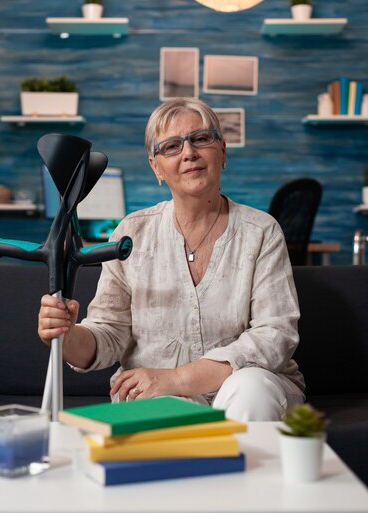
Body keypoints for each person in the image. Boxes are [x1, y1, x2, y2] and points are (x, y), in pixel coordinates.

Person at [38, 97, 305, 420]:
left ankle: (239, 467)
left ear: (222, 151)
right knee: (155, 412)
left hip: (246, 389)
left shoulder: (261, 231)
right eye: (171, 146)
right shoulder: (131, 234)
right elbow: (109, 333)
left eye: (201, 139)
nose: (189, 152)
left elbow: (275, 335)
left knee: (251, 388)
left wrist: (178, 378)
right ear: (156, 167)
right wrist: (67, 335)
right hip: (155, 393)